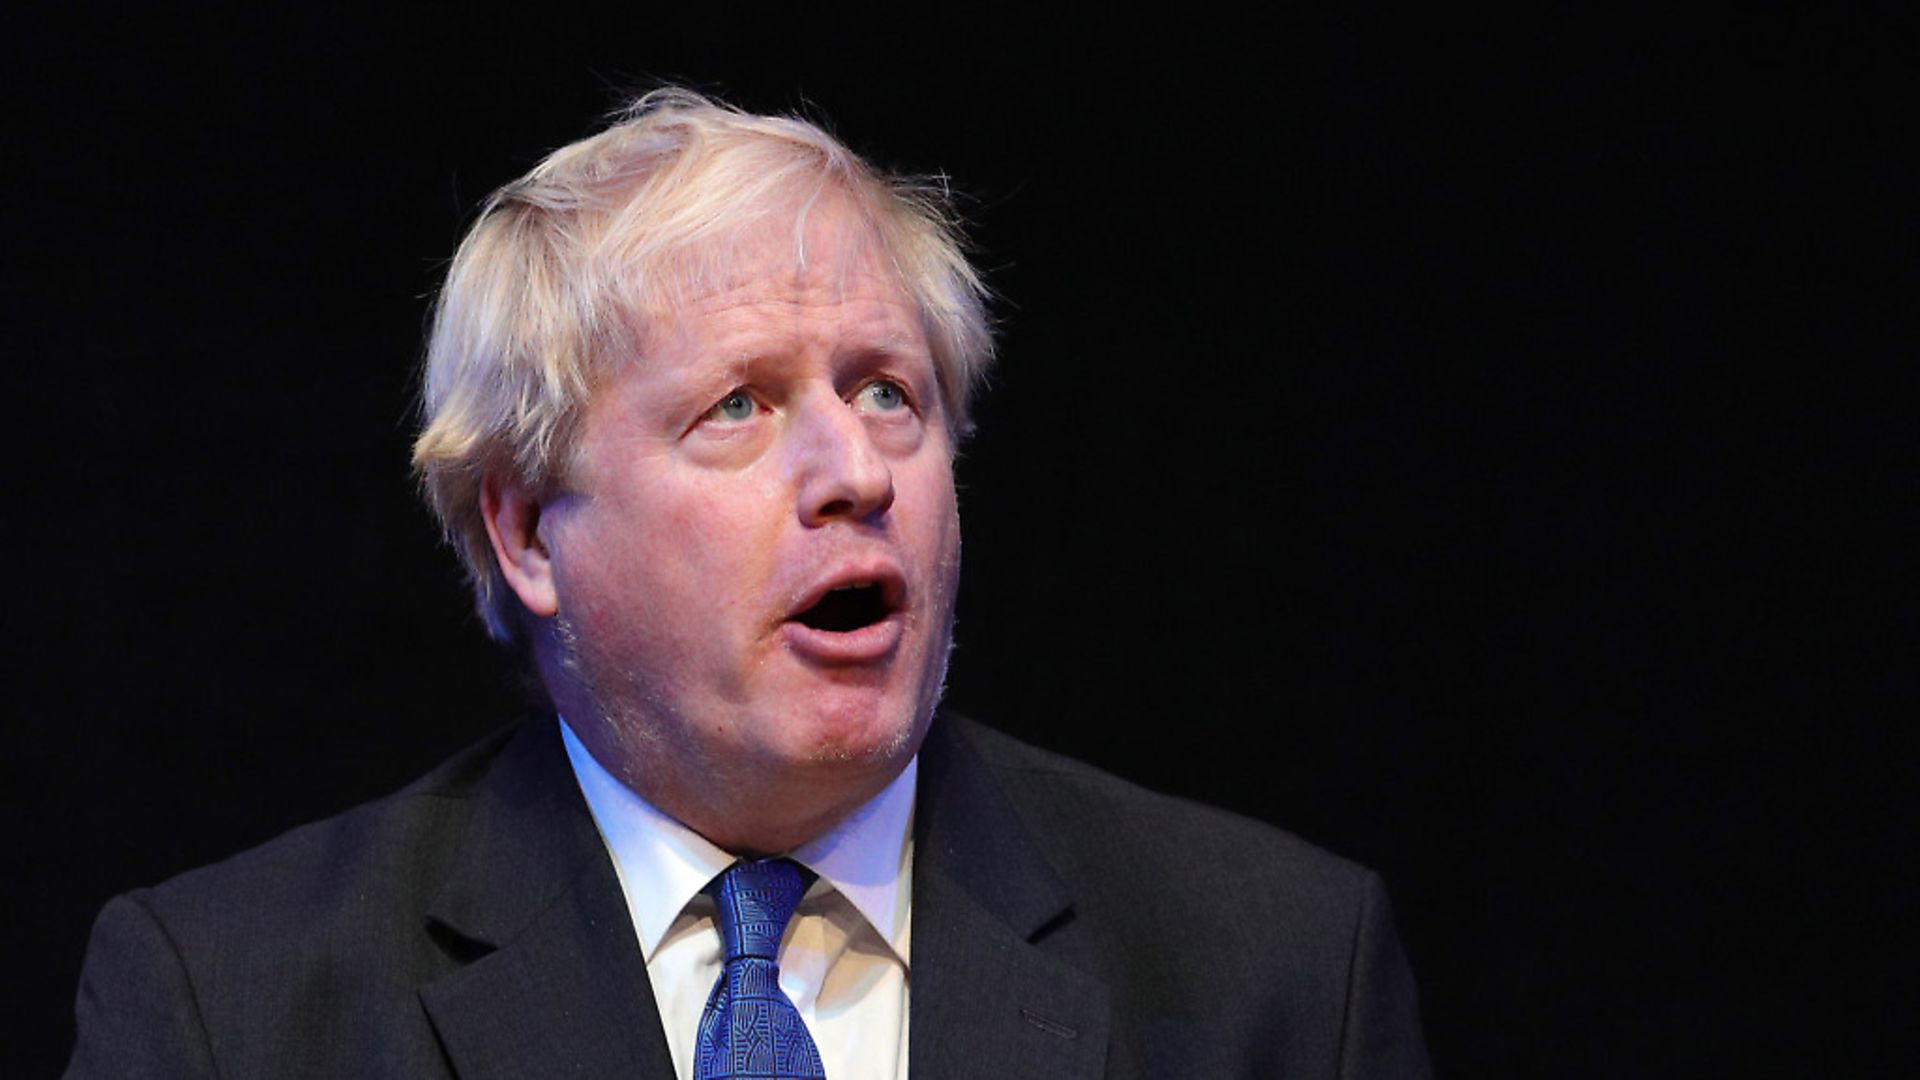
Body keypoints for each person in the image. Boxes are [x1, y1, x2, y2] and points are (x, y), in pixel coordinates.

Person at [66, 89, 1432, 1078]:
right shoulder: (231, 1011)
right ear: (529, 534)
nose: (855, 472)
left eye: (888, 391)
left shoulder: (1280, 976)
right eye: (738, 407)